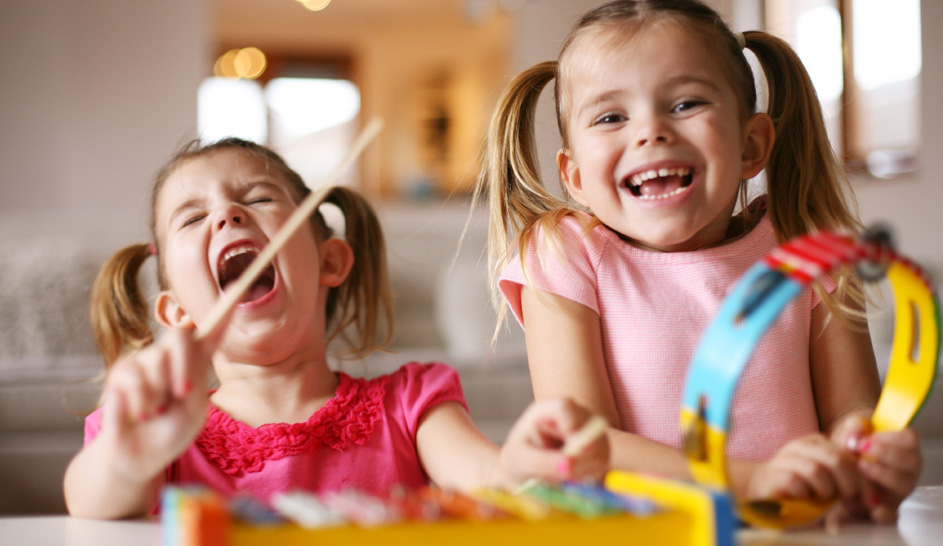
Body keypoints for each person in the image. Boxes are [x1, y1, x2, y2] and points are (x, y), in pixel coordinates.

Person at [475, 0, 920, 524]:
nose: (651, 131)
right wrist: (753, 481)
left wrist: (870, 454)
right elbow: (585, 447)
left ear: (751, 146)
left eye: (686, 104)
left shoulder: (807, 247)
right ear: (575, 179)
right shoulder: (564, 254)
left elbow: (853, 414)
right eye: (612, 116)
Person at [63, 138, 609, 520]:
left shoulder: (412, 403)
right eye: (191, 217)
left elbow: (488, 476)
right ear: (177, 312)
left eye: (256, 198)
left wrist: (522, 464)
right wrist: (126, 457)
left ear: (329, 262)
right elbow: (91, 502)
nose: (227, 214)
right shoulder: (151, 430)